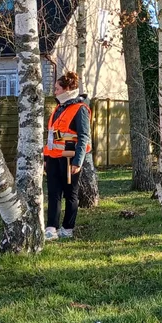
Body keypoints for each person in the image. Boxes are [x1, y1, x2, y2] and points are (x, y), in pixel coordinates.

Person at [44, 70, 91, 240]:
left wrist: (78, 161)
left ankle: (68, 228)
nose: (54, 92)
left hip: (69, 157)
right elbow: (52, 134)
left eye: (57, 89)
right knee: (53, 193)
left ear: (66, 89)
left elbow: (84, 136)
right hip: (53, 157)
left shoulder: (80, 109)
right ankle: (51, 228)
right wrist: (45, 157)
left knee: (71, 194)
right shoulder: (58, 108)